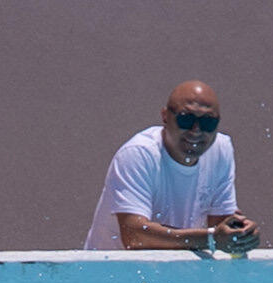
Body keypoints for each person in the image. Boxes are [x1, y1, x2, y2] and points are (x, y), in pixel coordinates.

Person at [84, 80, 260, 254]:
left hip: (167, 272)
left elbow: (219, 225)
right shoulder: (139, 154)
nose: (196, 130)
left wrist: (240, 233)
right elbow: (134, 236)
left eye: (208, 123)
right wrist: (211, 239)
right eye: (186, 119)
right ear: (165, 117)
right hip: (109, 276)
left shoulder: (221, 150)